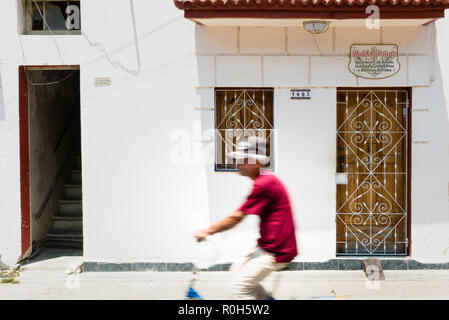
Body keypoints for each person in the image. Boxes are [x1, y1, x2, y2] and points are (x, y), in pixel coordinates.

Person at [194, 137, 298, 300]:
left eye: (242, 159)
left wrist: (208, 231)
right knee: (237, 270)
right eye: (238, 159)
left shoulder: (264, 183)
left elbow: (237, 217)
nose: (238, 163)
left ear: (256, 162)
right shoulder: (264, 180)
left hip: (276, 251)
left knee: (240, 288)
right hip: (267, 247)